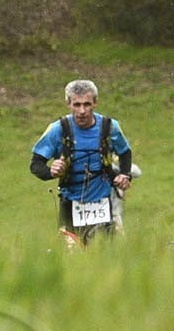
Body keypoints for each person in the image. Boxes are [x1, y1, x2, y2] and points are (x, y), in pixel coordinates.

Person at [29, 79, 134, 247]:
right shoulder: (57, 129)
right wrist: (51, 172)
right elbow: (36, 164)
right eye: (76, 105)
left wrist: (124, 174)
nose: (82, 111)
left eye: (87, 104)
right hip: (70, 204)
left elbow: (125, 152)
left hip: (103, 203)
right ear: (68, 104)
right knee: (72, 256)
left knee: (106, 253)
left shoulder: (109, 126)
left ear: (95, 103)